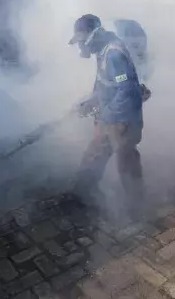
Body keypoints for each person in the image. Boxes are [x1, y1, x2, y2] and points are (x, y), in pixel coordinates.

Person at [68, 14, 144, 212]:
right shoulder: (103, 50)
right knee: (95, 155)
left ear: (92, 36)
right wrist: (89, 102)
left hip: (123, 121)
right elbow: (104, 84)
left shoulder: (113, 54)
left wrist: (106, 116)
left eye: (82, 41)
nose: (81, 47)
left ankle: (138, 207)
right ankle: (82, 194)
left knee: (126, 163)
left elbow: (127, 91)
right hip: (112, 118)